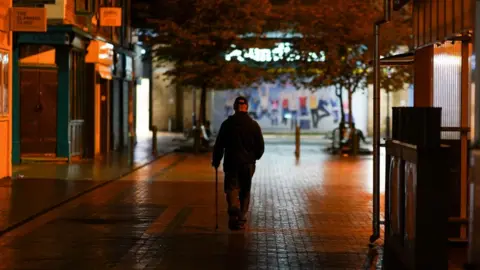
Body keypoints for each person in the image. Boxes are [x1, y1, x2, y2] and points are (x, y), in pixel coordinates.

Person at [212, 96, 265, 230]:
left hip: (231, 162)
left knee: (231, 188)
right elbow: (260, 146)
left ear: (235, 108)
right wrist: (255, 157)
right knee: (245, 190)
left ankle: (232, 209)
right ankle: (241, 217)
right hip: (248, 164)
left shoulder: (227, 124)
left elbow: (219, 145)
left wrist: (216, 160)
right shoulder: (253, 125)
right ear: (246, 108)